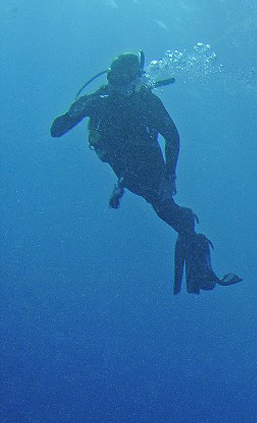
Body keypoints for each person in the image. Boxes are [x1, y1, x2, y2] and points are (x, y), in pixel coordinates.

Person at [50, 51, 242, 294]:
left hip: (148, 169)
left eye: (125, 75)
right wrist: (72, 113)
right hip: (128, 173)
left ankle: (194, 248)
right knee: (165, 208)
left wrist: (169, 176)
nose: (120, 81)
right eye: (116, 75)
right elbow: (56, 130)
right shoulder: (97, 100)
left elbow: (172, 135)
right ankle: (193, 246)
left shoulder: (145, 100)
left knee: (164, 207)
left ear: (134, 76)